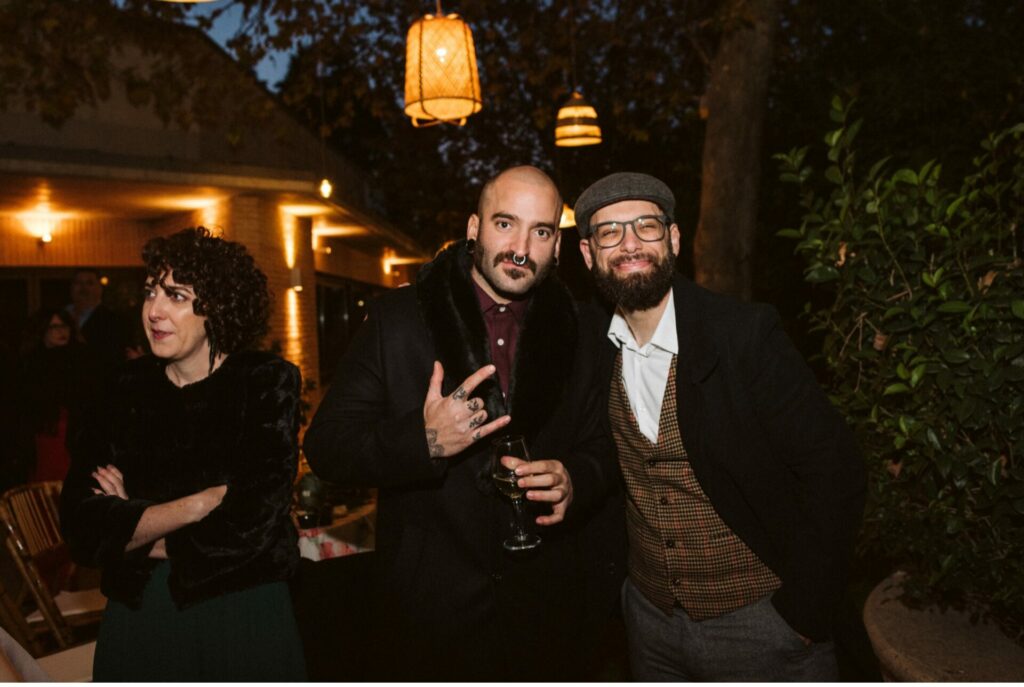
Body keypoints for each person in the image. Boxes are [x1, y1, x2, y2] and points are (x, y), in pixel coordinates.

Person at [303, 165, 625, 681]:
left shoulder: (586, 332)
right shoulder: (399, 319)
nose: (521, 246)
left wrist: (575, 479)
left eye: (540, 232)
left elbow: (608, 446)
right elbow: (328, 445)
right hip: (428, 624)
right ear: (473, 228)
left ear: (557, 248)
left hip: (549, 621)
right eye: (505, 224)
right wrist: (423, 439)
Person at [573, 172, 866, 681]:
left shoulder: (743, 336)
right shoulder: (594, 346)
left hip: (764, 625)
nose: (629, 243)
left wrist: (804, 611)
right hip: (648, 624)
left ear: (674, 239)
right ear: (587, 254)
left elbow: (836, 470)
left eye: (646, 226)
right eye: (609, 232)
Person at [59, 227, 306, 681]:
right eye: (151, 292)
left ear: (217, 305)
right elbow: (82, 528)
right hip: (140, 617)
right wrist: (196, 505)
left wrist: (131, 527)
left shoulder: (264, 382)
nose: (154, 310)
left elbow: (252, 525)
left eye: (176, 295)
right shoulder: (121, 389)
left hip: (241, 615)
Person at [14, 308, 100, 483]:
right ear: (43, 331)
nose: (61, 331)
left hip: (75, 432)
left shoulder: (82, 358)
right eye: (54, 327)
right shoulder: (32, 364)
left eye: (64, 326)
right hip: (46, 432)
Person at [66, 268, 128, 370]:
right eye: (78, 283)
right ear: (71, 287)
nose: (83, 288)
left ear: (100, 288)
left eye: (89, 283)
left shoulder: (114, 320)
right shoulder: (60, 315)